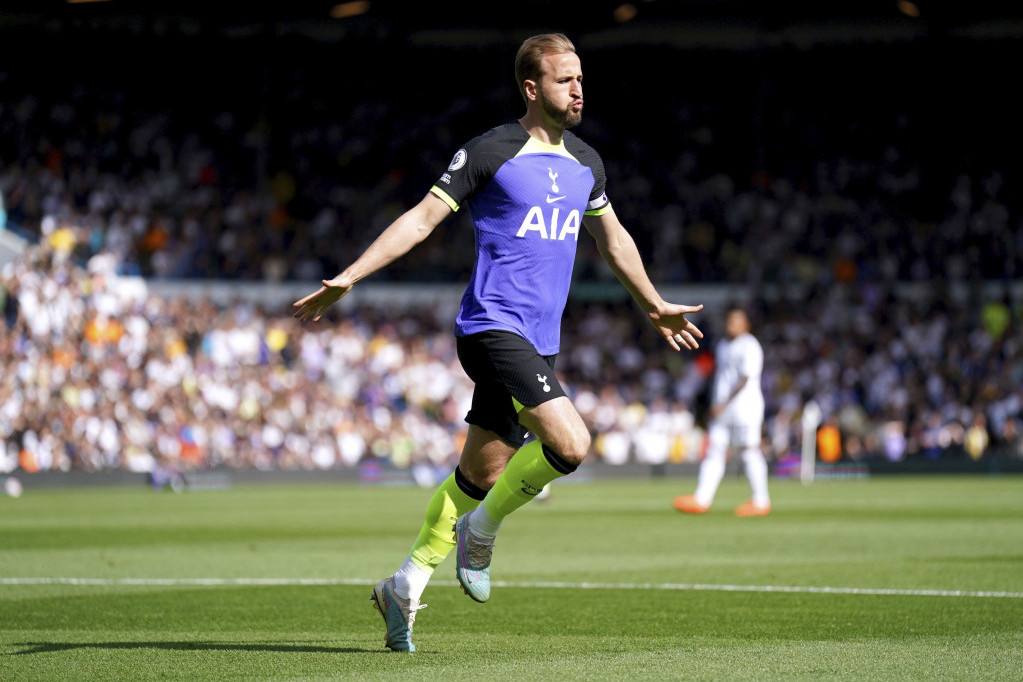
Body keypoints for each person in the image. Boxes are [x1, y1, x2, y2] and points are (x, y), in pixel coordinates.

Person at [293, 33, 704, 653]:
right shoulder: (492, 150)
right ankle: (480, 532)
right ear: (532, 88)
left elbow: (613, 239)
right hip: (491, 327)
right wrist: (351, 276)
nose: (579, 89)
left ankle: (403, 585)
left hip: (540, 341)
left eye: (581, 78)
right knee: (572, 443)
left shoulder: (586, 163)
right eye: (565, 80)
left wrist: (652, 303)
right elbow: (422, 218)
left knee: (479, 474)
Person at [674, 306, 770, 517]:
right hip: (722, 409)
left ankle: (761, 500)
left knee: (749, 450)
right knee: (715, 450)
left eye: (737, 320)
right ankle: (702, 499)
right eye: (730, 320)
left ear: (746, 325)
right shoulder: (723, 345)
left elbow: (746, 379)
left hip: (745, 408)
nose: (731, 324)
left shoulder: (750, 345)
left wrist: (723, 403)